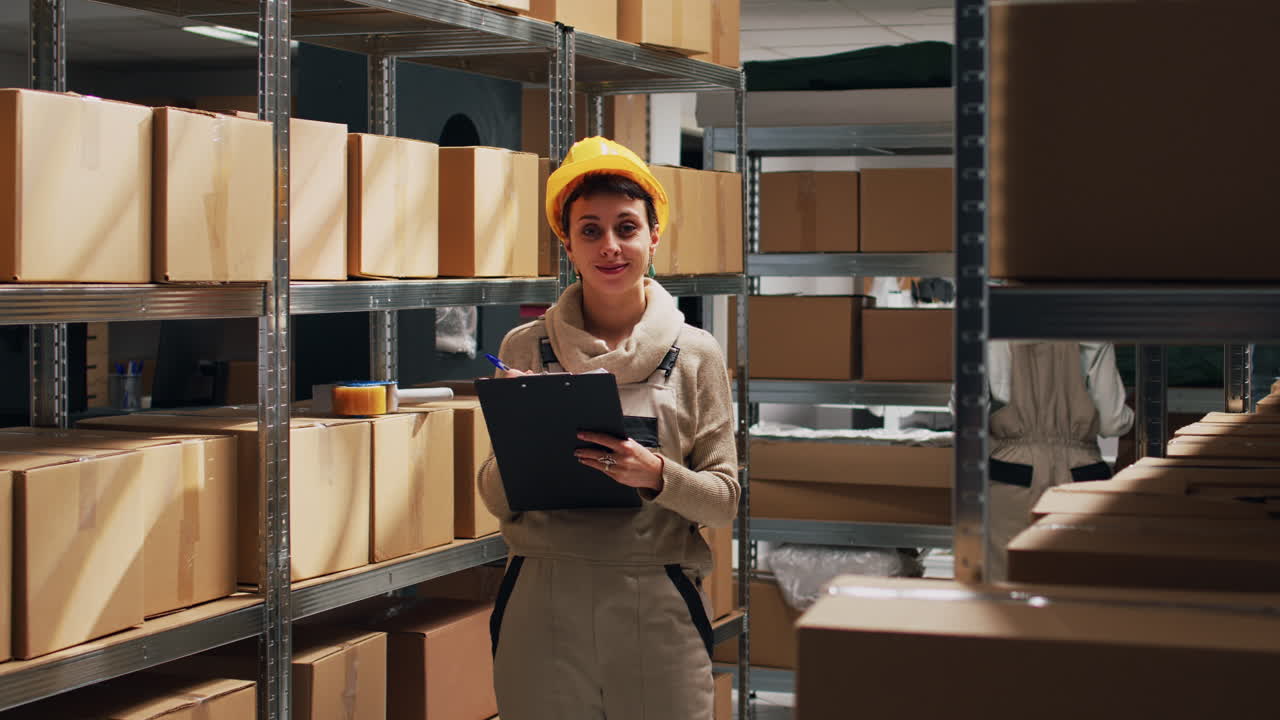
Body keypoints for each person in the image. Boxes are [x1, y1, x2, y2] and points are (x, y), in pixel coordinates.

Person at [477, 137, 740, 720]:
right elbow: (495, 497)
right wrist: (522, 432)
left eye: (626, 226)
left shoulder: (695, 353)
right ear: (567, 242)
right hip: (541, 602)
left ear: (654, 234)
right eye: (590, 230)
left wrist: (656, 475)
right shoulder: (525, 347)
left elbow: (724, 504)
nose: (611, 246)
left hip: (655, 600)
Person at [987, 341, 1134, 580]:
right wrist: (1129, 416)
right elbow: (1113, 421)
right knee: (1077, 589)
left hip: (1010, 474)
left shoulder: (991, 332)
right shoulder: (1094, 335)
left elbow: (964, 411)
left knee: (1006, 590)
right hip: (1082, 476)